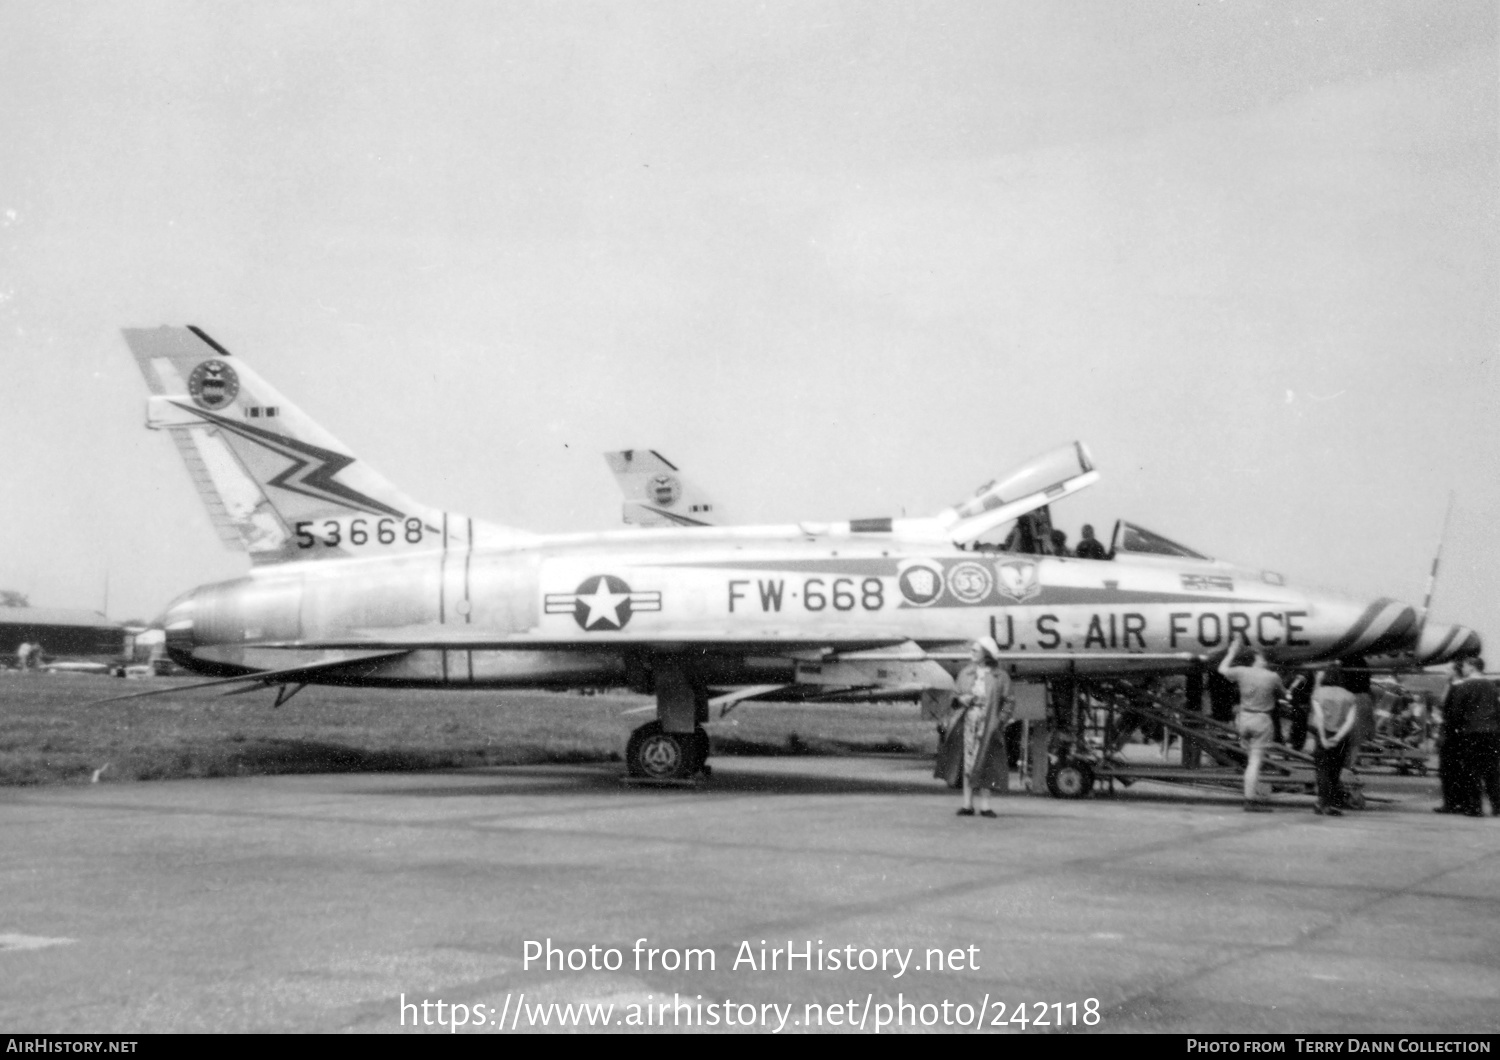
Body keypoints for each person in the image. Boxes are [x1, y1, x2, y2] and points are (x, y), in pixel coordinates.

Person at [936, 637, 1014, 818]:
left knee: (986, 761)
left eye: (975, 650)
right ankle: (967, 804)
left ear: (985, 653)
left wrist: (999, 721)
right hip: (968, 722)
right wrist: (960, 700)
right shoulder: (966, 673)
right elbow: (954, 696)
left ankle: (985, 805)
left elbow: (1009, 702)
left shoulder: (1000, 677)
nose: (971, 653)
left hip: (989, 724)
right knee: (968, 762)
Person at [1218, 633, 1284, 812]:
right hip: (1262, 719)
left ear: (1258, 657)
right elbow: (1283, 694)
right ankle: (1250, 799)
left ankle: (1251, 793)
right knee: (1255, 762)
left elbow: (1222, 670)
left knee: (1250, 761)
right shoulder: (1272, 677)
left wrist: (1232, 652)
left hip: (1244, 718)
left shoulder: (1242, 671)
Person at [1439, 657, 1499, 817]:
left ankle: (1474, 807)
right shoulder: (1493, 686)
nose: (1463, 669)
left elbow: (1456, 713)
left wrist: (1452, 731)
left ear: (1472, 667)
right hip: (1492, 732)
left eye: (1465, 666)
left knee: (1471, 771)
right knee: (1492, 770)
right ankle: (1497, 805)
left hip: (1471, 732)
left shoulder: (1465, 687)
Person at [1308, 667, 1358, 816]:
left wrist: (1323, 738)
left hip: (1324, 733)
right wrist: (1338, 737)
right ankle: (1331, 803)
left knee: (1322, 769)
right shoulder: (1349, 696)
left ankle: (1322, 802)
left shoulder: (1319, 693)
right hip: (1341, 736)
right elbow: (1350, 720)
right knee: (1335, 770)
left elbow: (1320, 717)